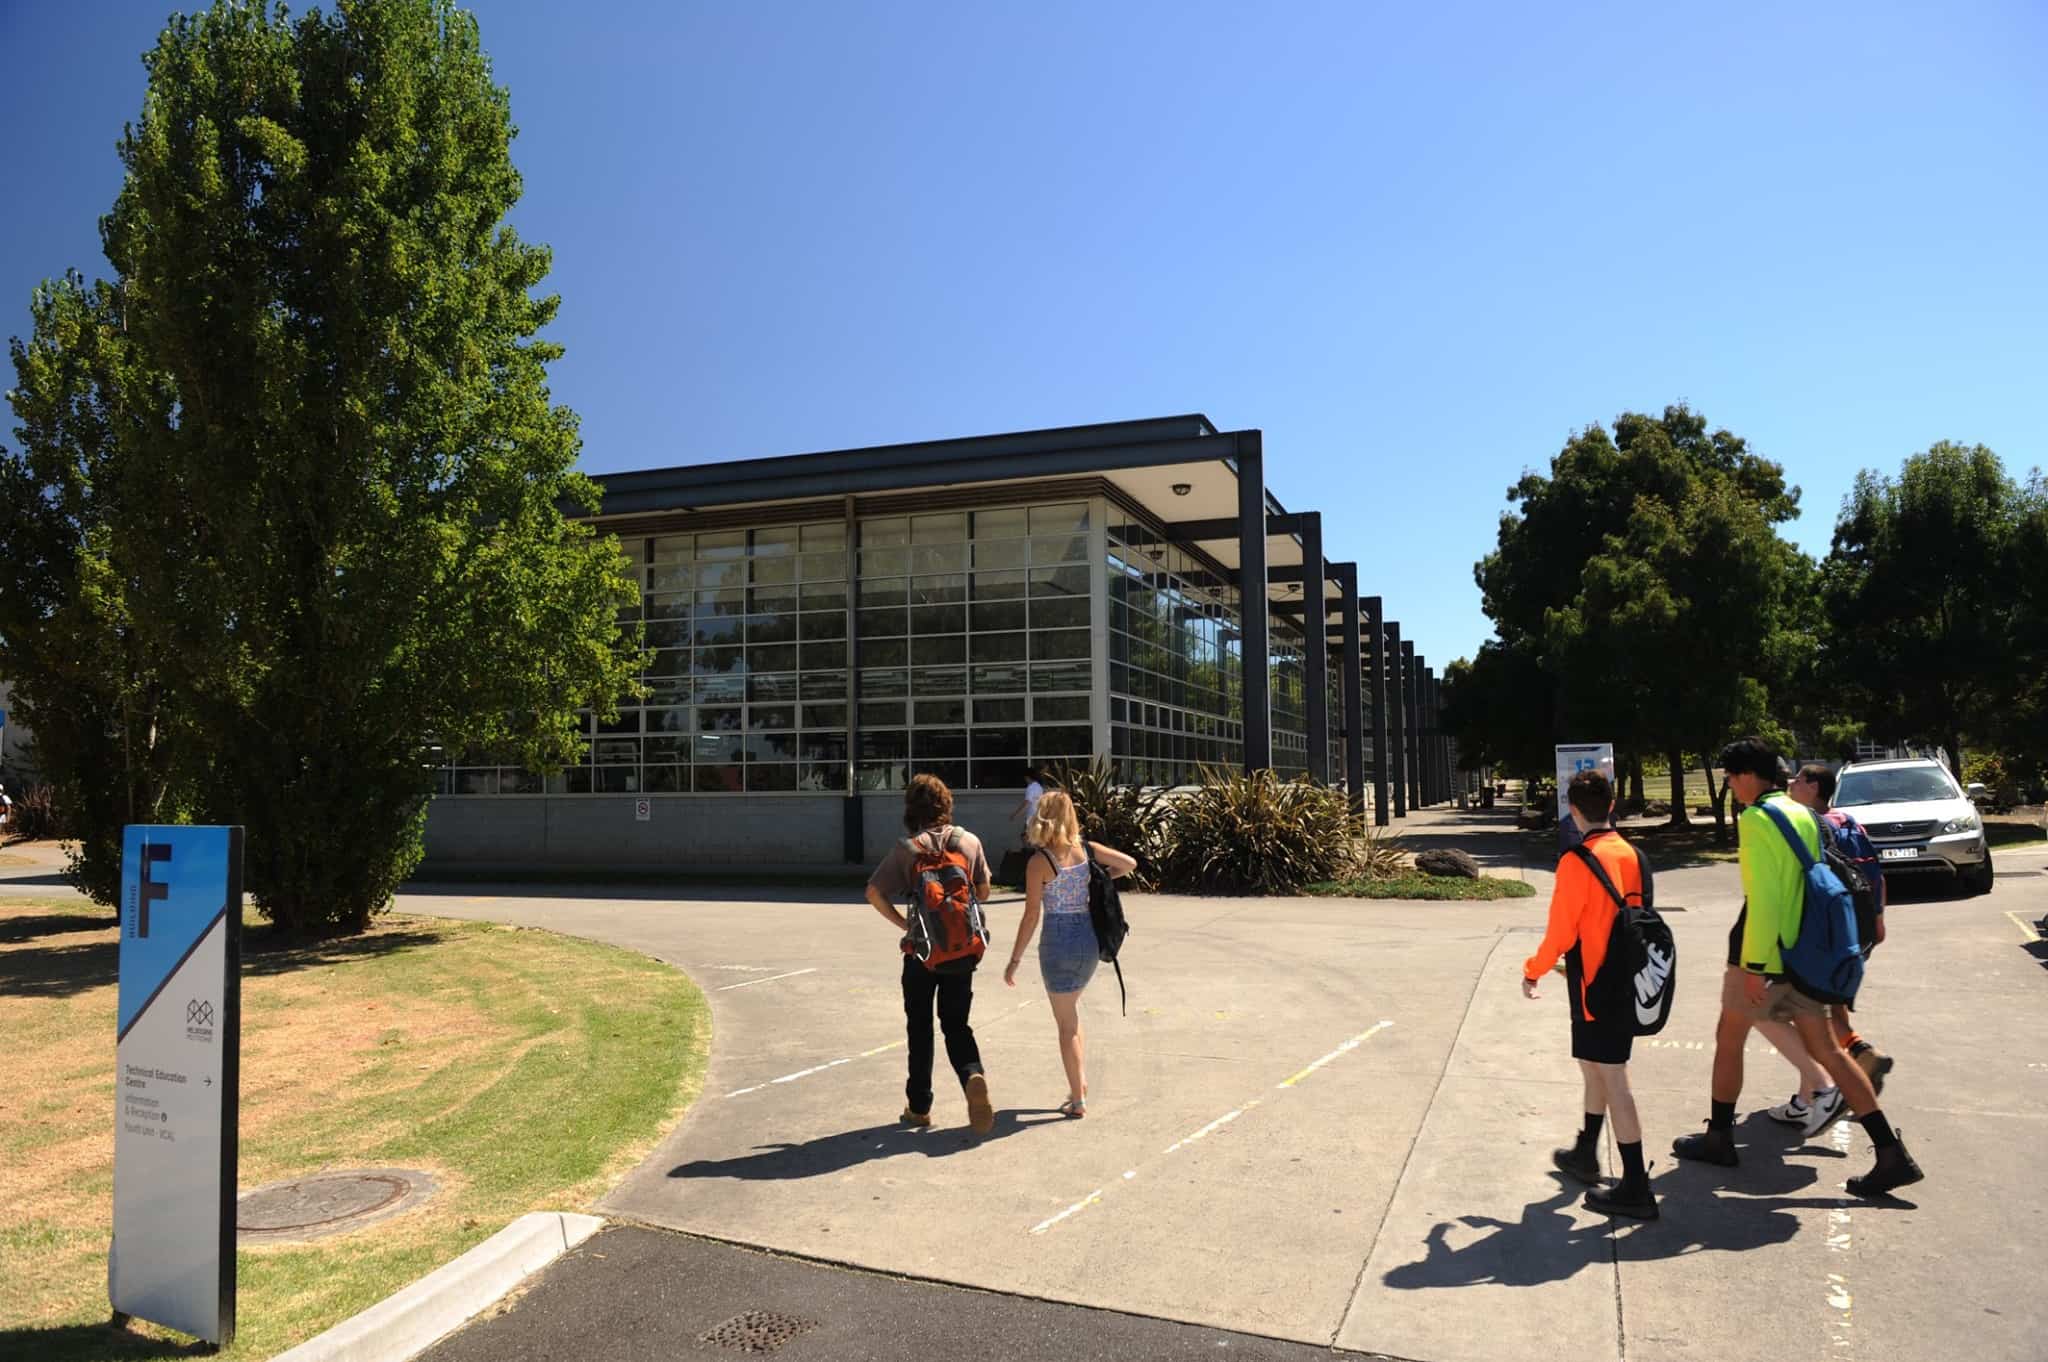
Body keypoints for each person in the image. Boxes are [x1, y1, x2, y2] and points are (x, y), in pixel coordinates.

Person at [1673, 737, 1923, 1198]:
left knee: (1729, 1039)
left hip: (1767, 953)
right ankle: (1890, 1152)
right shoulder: (1800, 812)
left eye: (1731, 777)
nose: (1731, 786)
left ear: (1748, 775)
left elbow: (1764, 899)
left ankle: (1719, 1137)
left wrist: (1753, 966)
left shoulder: (1756, 818)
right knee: (1829, 1050)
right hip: (1809, 950)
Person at [1521, 768, 1658, 1219]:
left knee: (1613, 1077)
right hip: (1628, 980)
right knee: (1594, 1066)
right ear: (1612, 806)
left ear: (1572, 810)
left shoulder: (1577, 861)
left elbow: (1561, 933)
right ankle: (1586, 1150)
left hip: (1595, 987)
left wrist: (1533, 971)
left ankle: (1635, 1185)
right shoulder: (1634, 854)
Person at [865, 773, 997, 1135]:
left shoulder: (907, 849)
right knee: (956, 1024)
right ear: (947, 804)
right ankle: (972, 1075)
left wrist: (905, 925)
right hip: (960, 951)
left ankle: (919, 1107)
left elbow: (873, 892)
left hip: (920, 953)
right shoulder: (968, 841)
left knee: (920, 1028)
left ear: (911, 809)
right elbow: (984, 892)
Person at [1004, 790, 1137, 1118]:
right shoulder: (1086, 850)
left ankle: (1078, 1100)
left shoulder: (1039, 862)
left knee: (1065, 1025)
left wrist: (1015, 959)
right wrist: (1100, 878)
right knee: (1072, 1017)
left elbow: (1031, 915)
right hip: (1088, 940)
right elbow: (1128, 864)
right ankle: (1081, 1084)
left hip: (1058, 941)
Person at [1010, 767, 1049, 846]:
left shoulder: (1030, 788)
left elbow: (1027, 803)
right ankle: (1034, 851)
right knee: (1032, 838)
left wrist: (1015, 814)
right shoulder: (1039, 787)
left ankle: (1031, 852)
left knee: (1026, 837)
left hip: (1032, 819)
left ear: (1027, 777)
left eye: (1025, 778)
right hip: (1038, 817)